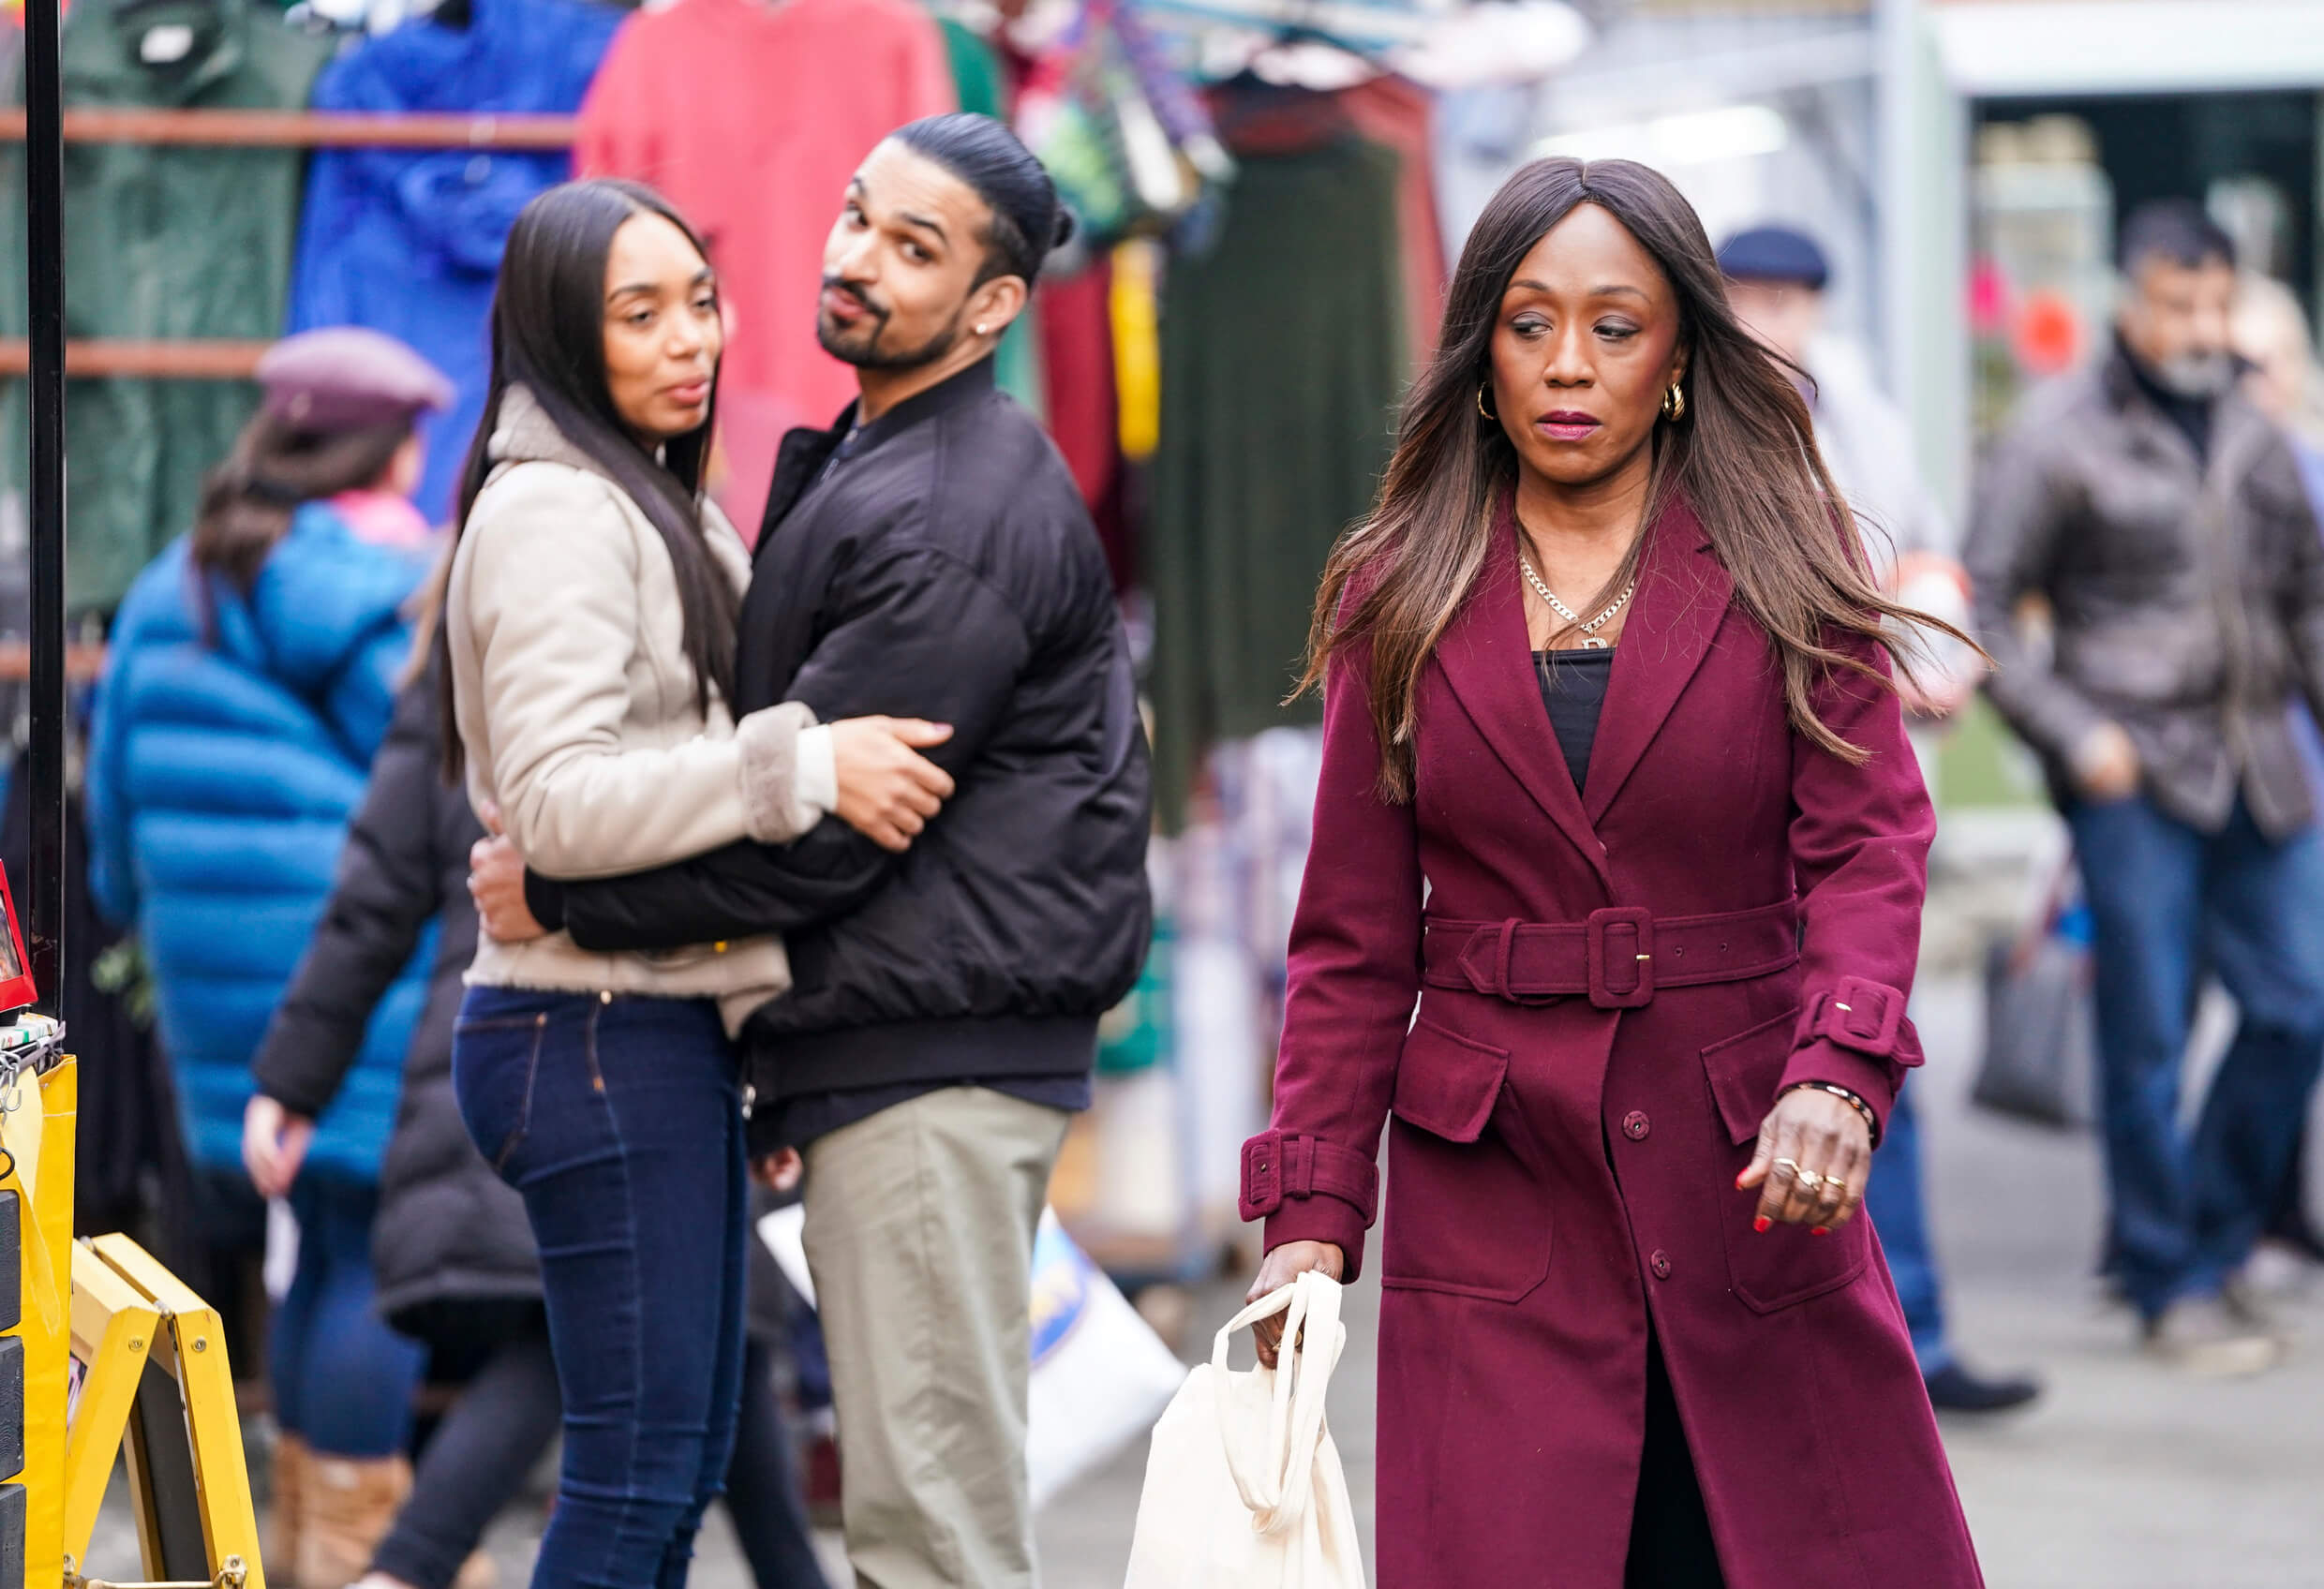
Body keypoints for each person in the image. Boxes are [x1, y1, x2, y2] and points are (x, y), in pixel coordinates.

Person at [1237, 156, 1982, 1588]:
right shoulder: (1393, 590)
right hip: (1495, 1177)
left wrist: (1839, 1071)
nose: (1568, 365)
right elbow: (1349, 939)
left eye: (1615, 326)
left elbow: (1870, 845)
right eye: (1528, 324)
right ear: (1478, 352)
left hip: (1749, 1160)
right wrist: (1311, 1220)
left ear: (1683, 355)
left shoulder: (1789, 557)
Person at [469, 115, 1152, 1589]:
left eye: (913, 249)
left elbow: (821, 842)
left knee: (922, 1533)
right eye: (856, 216)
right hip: (862, 1047)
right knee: (728, 1484)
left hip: (930, 1060)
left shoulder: (945, 509)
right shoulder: (863, 461)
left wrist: (569, 893)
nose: (854, 259)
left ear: (990, 307)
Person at [438, 177, 953, 1589]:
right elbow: (553, 802)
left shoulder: (649, 497)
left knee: (669, 1477)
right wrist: (799, 766)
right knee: (633, 1482)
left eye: (701, 301)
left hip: (648, 1028)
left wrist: (747, 1029)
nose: (690, 340)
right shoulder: (556, 513)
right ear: (559, 331)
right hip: (587, 1030)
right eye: (639, 312)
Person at [248, 639, 834, 1589]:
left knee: (697, 1354)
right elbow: (379, 894)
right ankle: (401, 1569)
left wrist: (295, 1076)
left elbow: (374, 893)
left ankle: (400, 1568)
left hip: (550, 1053)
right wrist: (295, 1076)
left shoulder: (466, 666)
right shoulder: (605, 646)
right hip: (583, 1048)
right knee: (607, 1360)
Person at [86, 327, 454, 1584]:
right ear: (395, 450)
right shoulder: (379, 593)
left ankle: (305, 1543)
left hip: (210, 997)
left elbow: (111, 838)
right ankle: (358, 1550)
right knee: (374, 1255)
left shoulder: (160, 588)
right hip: (362, 984)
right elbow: (435, 793)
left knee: (311, 1249)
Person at [1964, 200, 2324, 1375]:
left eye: (2214, 301)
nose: (2199, 324)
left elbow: (2304, 600)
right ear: (2131, 298)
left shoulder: (2251, 430)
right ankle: (2164, 1278)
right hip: (2131, 773)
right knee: (2146, 1039)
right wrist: (2072, 736)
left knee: (2294, 1007)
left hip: (2257, 764)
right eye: (2177, 302)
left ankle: (2213, 1247)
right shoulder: (2055, 433)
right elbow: (1980, 605)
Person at [1720, 223, 2040, 1415]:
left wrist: (1929, 654)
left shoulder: (1856, 408)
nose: (1770, 319)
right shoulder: (1683, 403)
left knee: (1859, 1049)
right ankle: (1809, 1345)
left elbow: (1918, 555)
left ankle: (1906, 1333)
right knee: (1751, 1068)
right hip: (1728, 807)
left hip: (1857, 779)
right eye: (1746, 295)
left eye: (1790, 298)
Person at [2231, 272, 2324, 1272]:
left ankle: (2274, 1202)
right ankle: (2172, 1229)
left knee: (2292, 1000)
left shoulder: (2305, 469)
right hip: (2212, 773)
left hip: (2301, 770)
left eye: (2273, 362)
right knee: (2176, 1021)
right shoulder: (2203, 470)